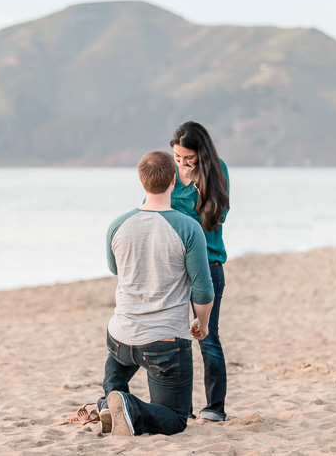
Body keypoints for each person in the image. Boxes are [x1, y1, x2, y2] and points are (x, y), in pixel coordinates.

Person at [69, 150, 214, 436]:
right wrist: (203, 323)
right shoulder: (188, 228)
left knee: (116, 384)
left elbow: (115, 269)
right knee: (175, 418)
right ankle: (126, 406)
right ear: (174, 179)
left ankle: (111, 403)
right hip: (164, 343)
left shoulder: (118, 225)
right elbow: (203, 289)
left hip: (121, 337)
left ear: (141, 181)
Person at [169, 121, 230, 422]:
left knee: (207, 336)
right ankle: (183, 407)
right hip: (176, 266)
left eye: (188, 158)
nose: (182, 163)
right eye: (177, 157)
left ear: (201, 154)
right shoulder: (169, 173)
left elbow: (216, 216)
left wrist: (194, 184)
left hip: (209, 264)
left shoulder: (218, 170)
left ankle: (214, 408)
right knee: (178, 337)